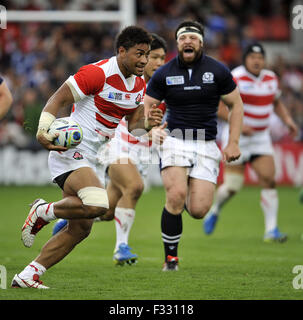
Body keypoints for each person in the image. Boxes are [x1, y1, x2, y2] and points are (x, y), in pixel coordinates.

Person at [12, 26, 164, 289]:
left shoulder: (139, 83)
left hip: (96, 156)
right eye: (139, 54)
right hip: (72, 150)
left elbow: (134, 126)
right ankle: (42, 211)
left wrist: (149, 123)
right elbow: (57, 98)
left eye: (147, 54)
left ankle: (28, 275)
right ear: (122, 51)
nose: (144, 60)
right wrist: (42, 129)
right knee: (98, 204)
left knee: (81, 229)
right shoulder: (98, 72)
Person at [52, 34, 168, 266]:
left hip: (141, 151)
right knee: (134, 186)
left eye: (161, 58)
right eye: (152, 56)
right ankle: (121, 247)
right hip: (116, 145)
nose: (156, 62)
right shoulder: (127, 79)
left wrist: (152, 129)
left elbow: (144, 122)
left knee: (105, 210)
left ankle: (73, 216)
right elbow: (121, 117)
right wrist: (148, 130)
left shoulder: (161, 86)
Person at [144, 21, 244, 271]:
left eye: (192, 37)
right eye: (182, 38)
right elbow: (146, 106)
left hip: (206, 144)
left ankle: (187, 187)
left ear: (201, 43)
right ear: (177, 44)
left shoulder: (217, 70)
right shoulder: (164, 73)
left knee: (199, 210)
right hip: (175, 140)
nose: (187, 41)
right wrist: (152, 128)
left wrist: (232, 142)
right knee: (175, 196)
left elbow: (236, 105)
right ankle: (171, 259)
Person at [203, 43, 298, 242]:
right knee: (232, 186)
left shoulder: (271, 79)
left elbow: (276, 102)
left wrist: (288, 121)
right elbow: (218, 107)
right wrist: (239, 124)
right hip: (237, 138)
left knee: (270, 180)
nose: (256, 61)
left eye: (260, 58)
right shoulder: (235, 77)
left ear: (264, 60)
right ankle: (215, 210)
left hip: (261, 137)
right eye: (252, 57)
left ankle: (271, 230)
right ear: (245, 59)